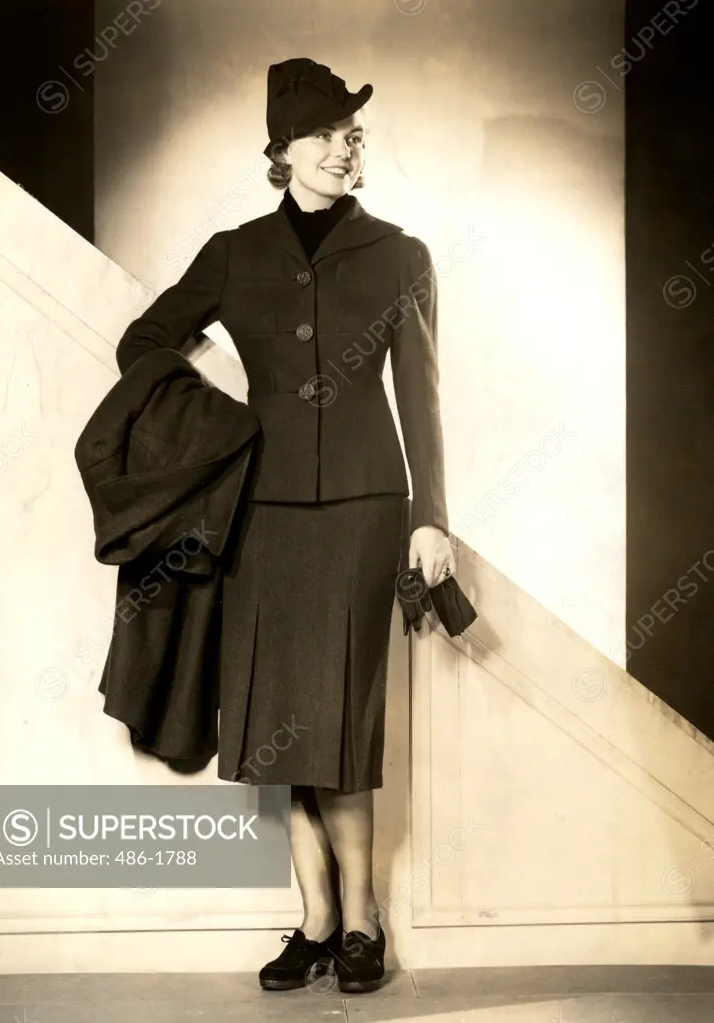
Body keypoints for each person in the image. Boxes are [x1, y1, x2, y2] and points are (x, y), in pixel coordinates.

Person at [115, 57, 455, 994]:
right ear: (284, 150)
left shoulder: (399, 253)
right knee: (279, 722)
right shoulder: (233, 252)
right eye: (329, 134)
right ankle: (312, 919)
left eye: (355, 135)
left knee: (339, 722)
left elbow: (419, 400)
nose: (347, 149)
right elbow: (143, 343)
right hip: (259, 515)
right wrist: (223, 422)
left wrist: (432, 518)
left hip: (359, 510)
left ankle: (362, 921)